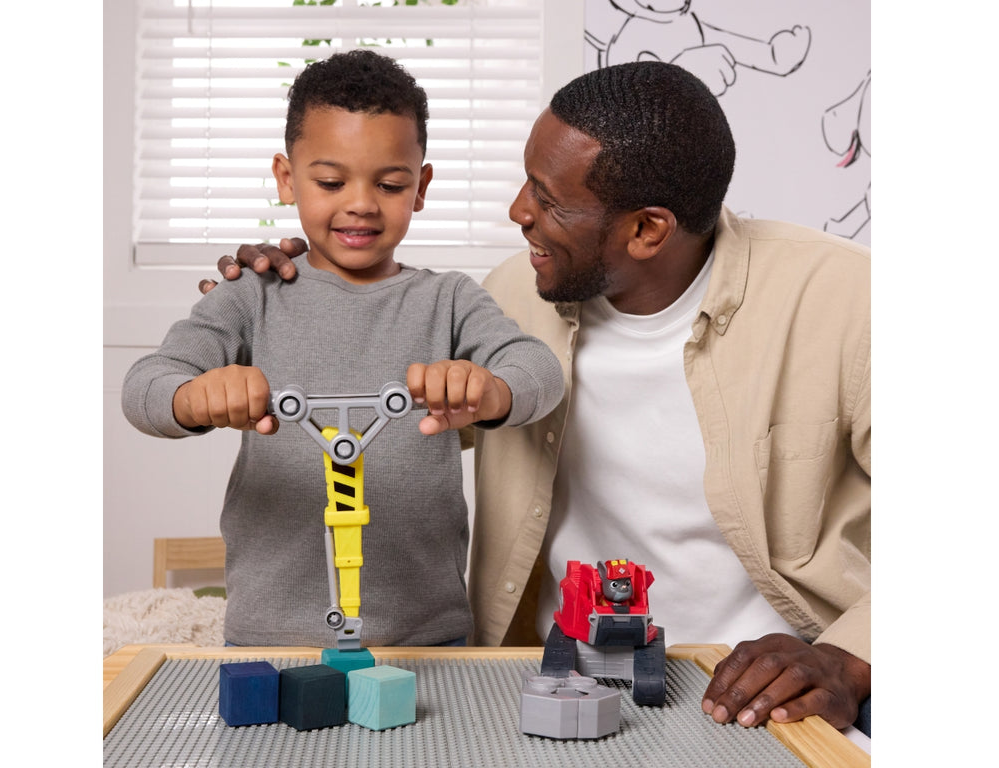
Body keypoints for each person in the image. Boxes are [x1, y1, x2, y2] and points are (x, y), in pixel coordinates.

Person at [205, 61, 871, 735]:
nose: (519, 212)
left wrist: (847, 659)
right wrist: (297, 293)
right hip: (550, 676)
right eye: (527, 181)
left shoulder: (846, 299)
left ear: (647, 230)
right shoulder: (512, 295)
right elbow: (384, 410)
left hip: (770, 691)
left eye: (550, 202)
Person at [123, 50, 563, 649]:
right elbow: (143, 388)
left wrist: (491, 390)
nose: (361, 203)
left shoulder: (449, 299)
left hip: (427, 640)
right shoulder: (251, 295)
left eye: (390, 184)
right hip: (271, 638)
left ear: (421, 187)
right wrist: (193, 397)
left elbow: (540, 371)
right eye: (331, 182)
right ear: (286, 178)